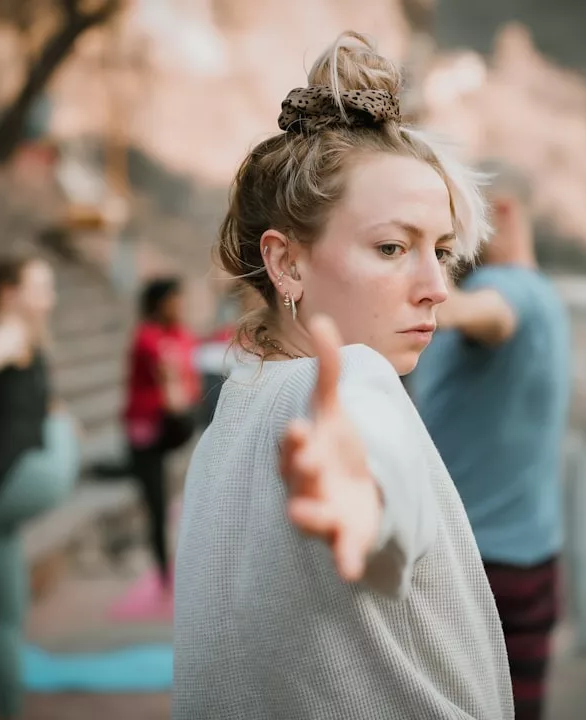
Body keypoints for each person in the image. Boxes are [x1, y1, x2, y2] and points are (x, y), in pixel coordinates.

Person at [171, 32, 513, 719]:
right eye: (391, 247)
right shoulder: (354, 380)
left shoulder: (228, 425)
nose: (435, 287)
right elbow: (375, 459)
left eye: (440, 251)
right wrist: (368, 496)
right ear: (287, 263)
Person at [410, 160, 572, 719]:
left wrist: (405, 289)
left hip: (479, 572)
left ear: (499, 213)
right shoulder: (547, 297)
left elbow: (489, 315)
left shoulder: (505, 291)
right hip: (531, 562)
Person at [0, 253, 80, 719]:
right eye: (40, 287)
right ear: (8, 294)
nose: (50, 297)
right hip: (12, 484)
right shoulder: (11, 332)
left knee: (8, 617)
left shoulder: (16, 336)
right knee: (67, 434)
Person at [122, 276, 201, 588]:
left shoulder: (182, 335)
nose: (180, 306)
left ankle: (179, 567)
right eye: (174, 300)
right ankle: (164, 576)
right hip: (146, 430)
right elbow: (171, 383)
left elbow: (189, 383)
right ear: (159, 304)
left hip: (173, 427)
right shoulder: (147, 338)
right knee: (155, 504)